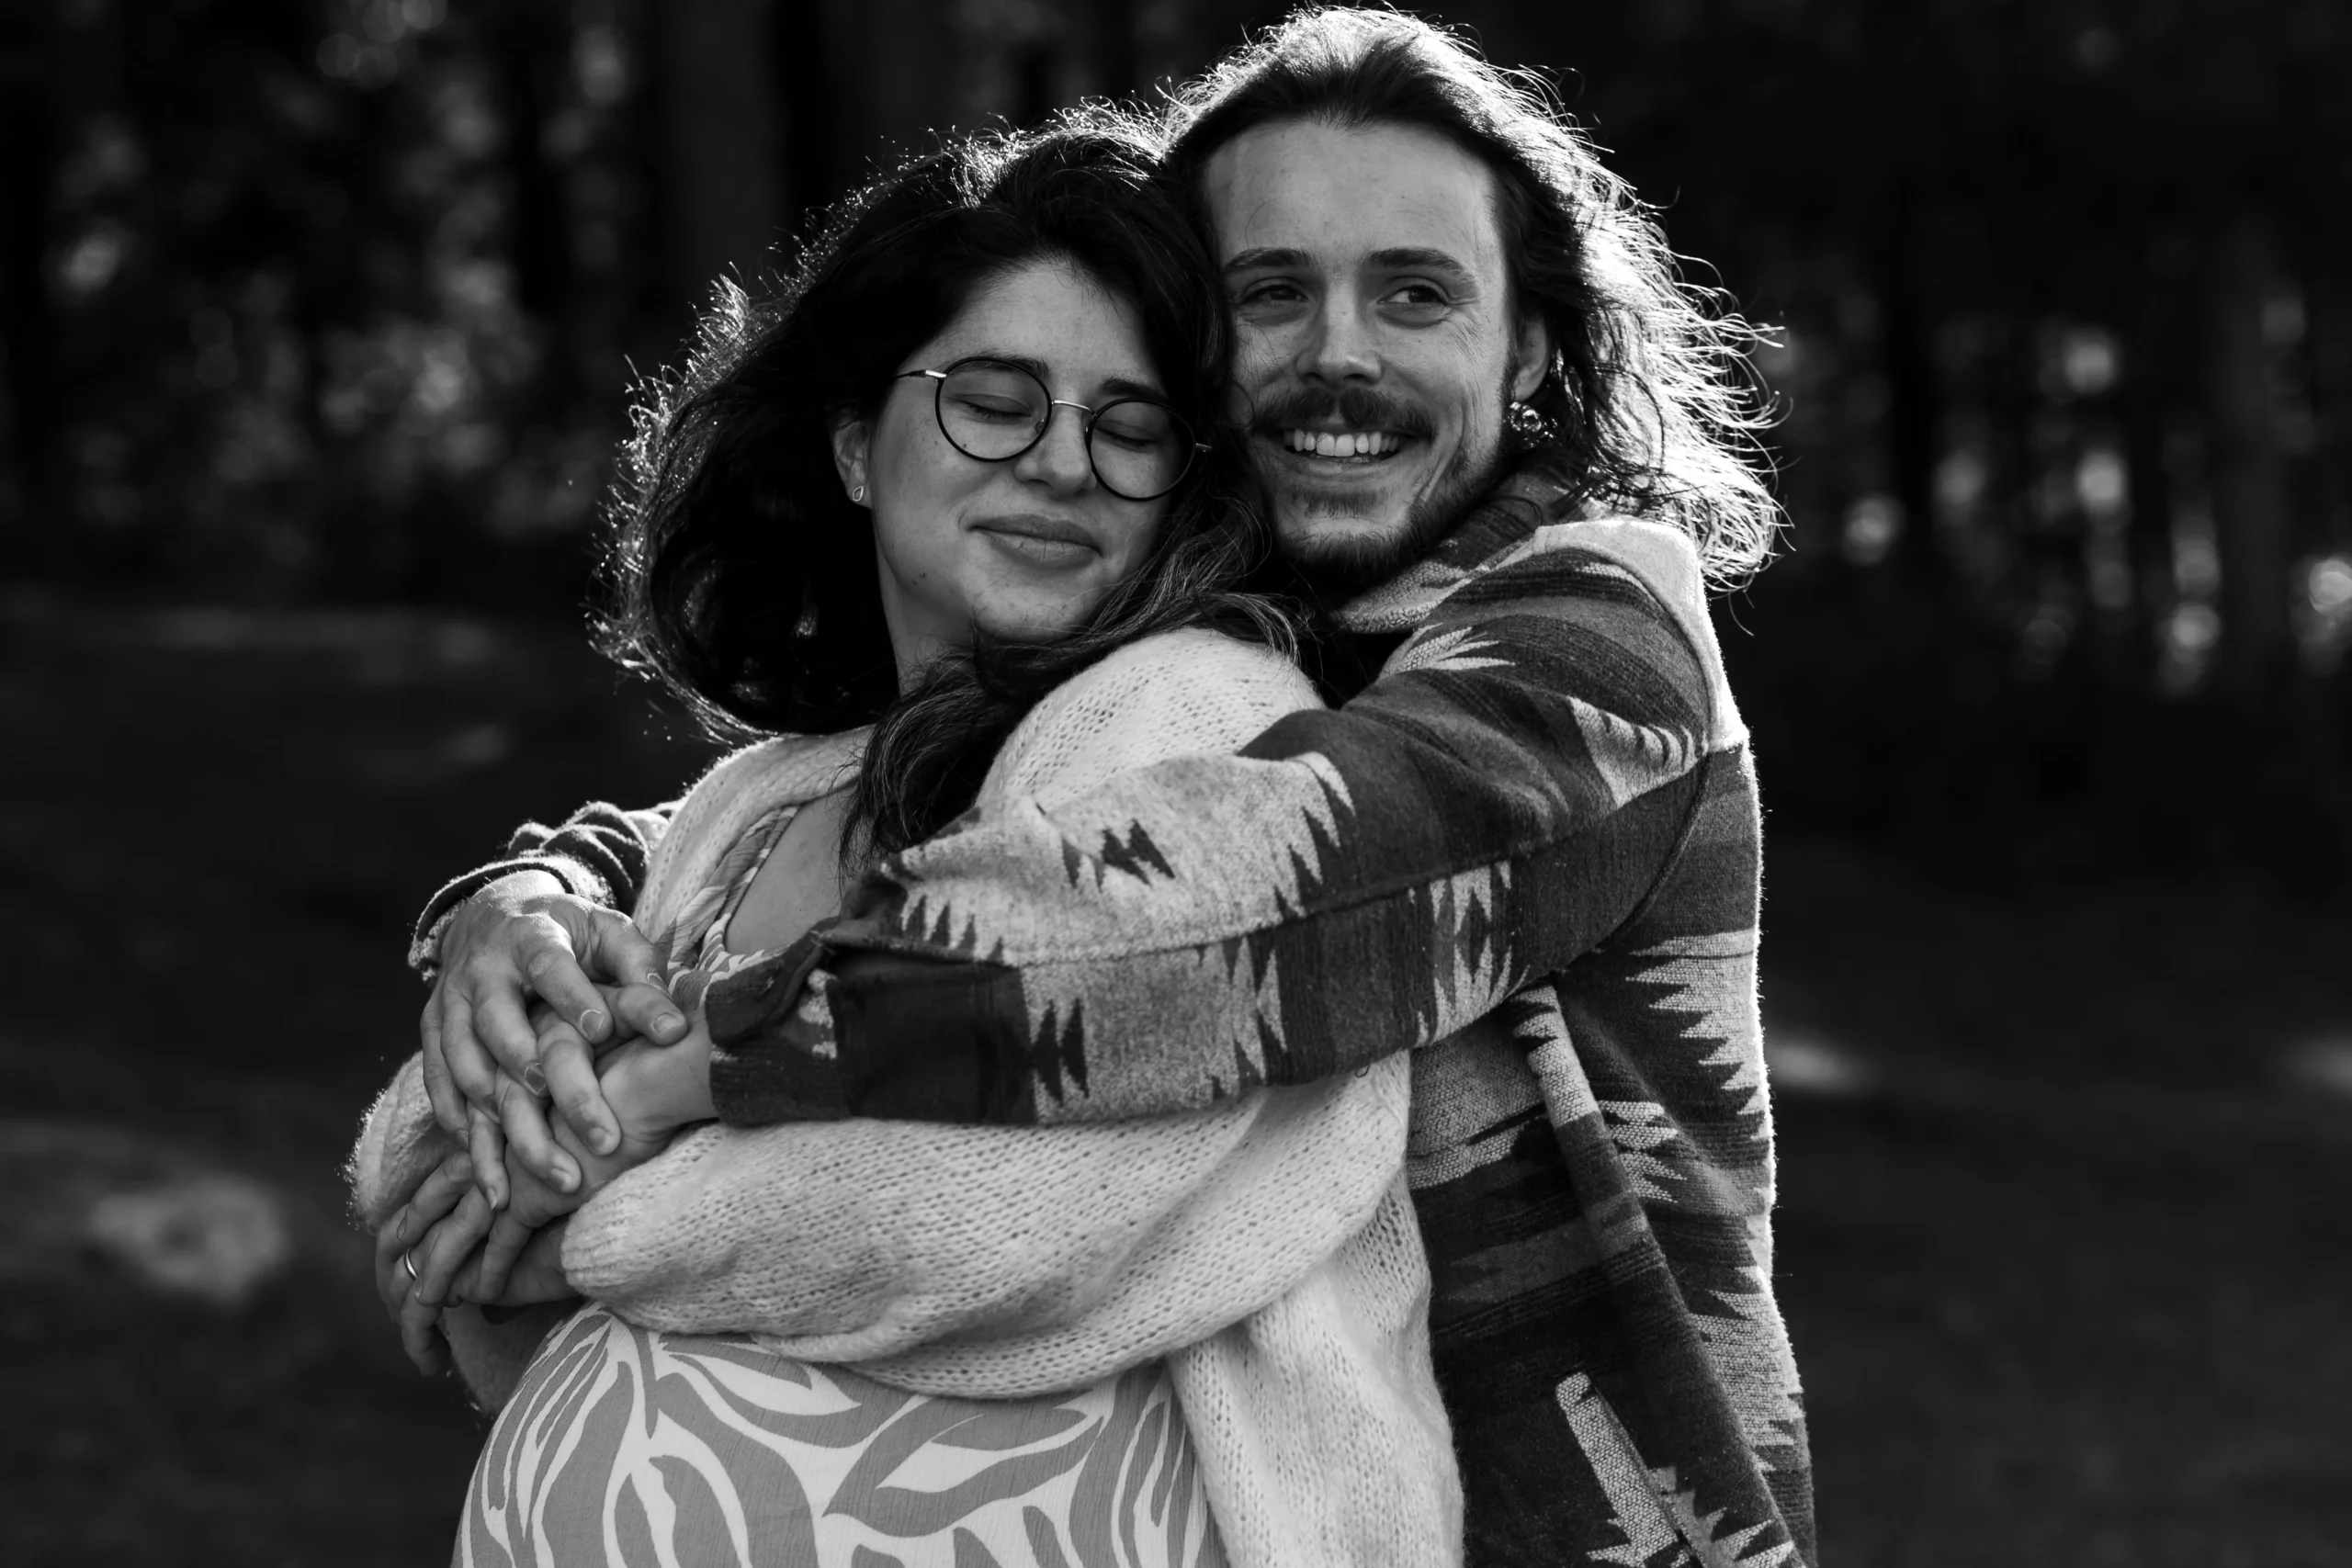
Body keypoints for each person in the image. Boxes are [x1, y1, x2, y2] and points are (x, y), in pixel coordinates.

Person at [416, 9, 1819, 1565]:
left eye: (1416, 293)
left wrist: (678, 1080)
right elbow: (774, 815)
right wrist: (529, 896)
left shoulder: (1599, 643)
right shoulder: (1263, 641)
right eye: (1270, 295)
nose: (1340, 352)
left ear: (1533, 346)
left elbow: (1241, 899)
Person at [354, 118, 1462, 1567]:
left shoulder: (1197, 719)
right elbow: (421, 1177)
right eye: (996, 400)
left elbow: (1014, 1212)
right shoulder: (761, 802)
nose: (1064, 462)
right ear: (853, 447)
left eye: (1127, 429)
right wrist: (507, 926)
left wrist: (592, 1216)